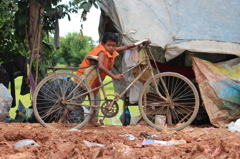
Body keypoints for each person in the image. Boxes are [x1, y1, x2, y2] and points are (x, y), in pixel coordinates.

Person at [76, 32, 151, 126]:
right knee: (77, 100)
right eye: (109, 45)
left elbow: (126, 47)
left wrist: (139, 43)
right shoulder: (102, 51)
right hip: (86, 79)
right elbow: (100, 66)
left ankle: (92, 121)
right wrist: (114, 76)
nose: (111, 47)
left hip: (94, 81)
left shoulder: (111, 50)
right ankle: (63, 119)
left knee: (96, 100)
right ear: (103, 44)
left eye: (114, 45)